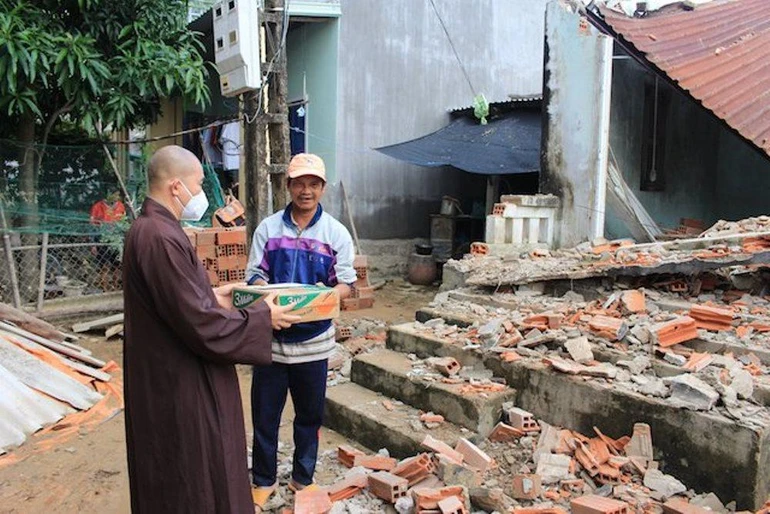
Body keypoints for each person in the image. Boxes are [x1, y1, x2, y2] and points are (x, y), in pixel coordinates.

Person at [122, 145, 301, 514]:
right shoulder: (159, 237)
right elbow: (198, 323)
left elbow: (181, 302)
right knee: (194, 471)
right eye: (199, 184)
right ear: (176, 187)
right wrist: (262, 318)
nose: (203, 193)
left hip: (167, 374)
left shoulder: (155, 229)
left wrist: (214, 295)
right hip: (180, 383)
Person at [245, 153, 356, 509]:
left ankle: (302, 478)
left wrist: (318, 302)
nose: (305, 191)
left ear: (322, 188)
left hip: (314, 344)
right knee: (265, 417)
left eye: (313, 184)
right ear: (288, 186)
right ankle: (262, 480)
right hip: (271, 344)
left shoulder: (335, 233)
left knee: (309, 417)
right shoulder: (268, 228)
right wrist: (270, 304)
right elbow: (255, 276)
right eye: (298, 183)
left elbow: (346, 285)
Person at [89, 190, 126, 291]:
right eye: (114, 194)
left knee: (116, 265)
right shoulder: (97, 207)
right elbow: (92, 226)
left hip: (116, 240)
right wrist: (93, 244)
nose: (116, 197)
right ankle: (104, 288)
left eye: (117, 195)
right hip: (102, 239)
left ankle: (115, 286)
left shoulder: (121, 206)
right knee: (104, 265)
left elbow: (123, 223)